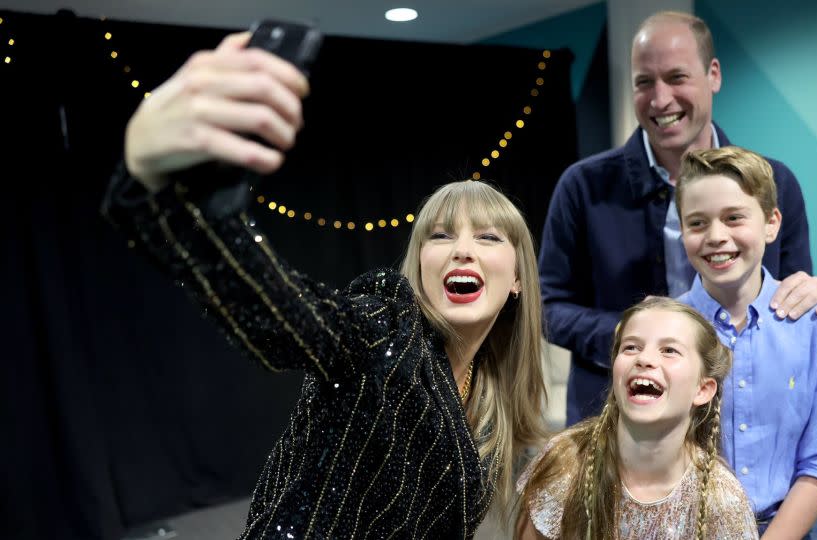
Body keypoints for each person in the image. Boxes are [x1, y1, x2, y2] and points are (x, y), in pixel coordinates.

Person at [102, 32, 547, 538]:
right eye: (440, 236)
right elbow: (280, 311)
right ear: (418, 262)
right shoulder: (386, 329)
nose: (462, 249)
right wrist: (154, 181)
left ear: (516, 279)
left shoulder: (487, 391)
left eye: (487, 237)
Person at [538, 10, 817, 425]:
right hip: (613, 418)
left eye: (676, 77)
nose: (660, 99)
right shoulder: (582, 186)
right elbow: (547, 306)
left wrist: (810, 295)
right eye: (644, 82)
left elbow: (790, 297)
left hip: (742, 419)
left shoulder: (777, 183)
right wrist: (630, 334)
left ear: (713, 74)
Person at [675, 146, 817, 539]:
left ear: (771, 223)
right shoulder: (664, 328)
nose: (716, 237)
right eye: (697, 223)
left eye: (734, 217)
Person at [515, 297, 757, 540]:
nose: (644, 359)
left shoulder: (723, 500)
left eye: (669, 350)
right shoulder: (566, 463)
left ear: (702, 390)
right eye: (631, 347)